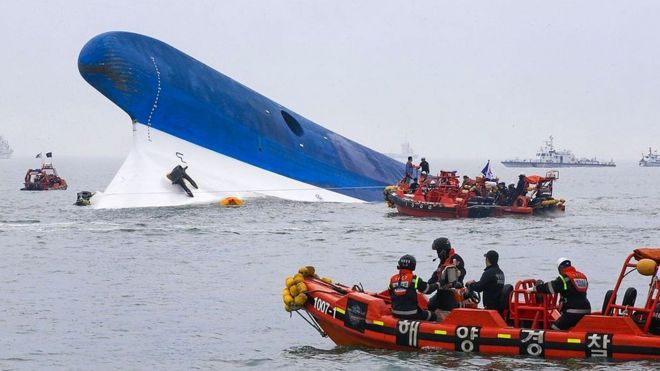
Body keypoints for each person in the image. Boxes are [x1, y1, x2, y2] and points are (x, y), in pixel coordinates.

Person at [530, 257, 591, 330]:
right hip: (586, 309)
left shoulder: (564, 278)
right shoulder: (582, 276)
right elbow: (574, 292)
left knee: (554, 328)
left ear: (560, 268)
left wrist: (534, 289)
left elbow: (551, 287)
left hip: (572, 311)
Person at [389, 254, 442, 321]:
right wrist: (439, 284)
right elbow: (428, 290)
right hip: (412, 314)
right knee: (433, 315)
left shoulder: (392, 279)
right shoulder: (414, 279)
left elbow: (390, 293)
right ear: (413, 266)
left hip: (395, 313)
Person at [427, 238, 466, 311]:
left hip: (453, 293)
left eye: (438, 251)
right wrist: (427, 285)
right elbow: (436, 275)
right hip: (441, 292)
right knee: (430, 305)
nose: (437, 254)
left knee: (448, 305)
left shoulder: (455, 259)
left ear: (443, 250)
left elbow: (462, 271)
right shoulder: (443, 261)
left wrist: (455, 275)